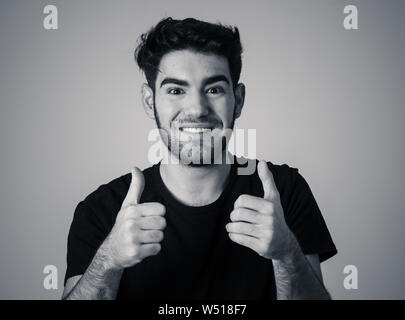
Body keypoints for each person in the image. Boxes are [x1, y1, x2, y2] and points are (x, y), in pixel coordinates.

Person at [62, 17, 337, 300]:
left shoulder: (284, 193)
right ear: (149, 101)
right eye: (176, 90)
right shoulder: (102, 210)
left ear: (238, 100)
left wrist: (285, 252)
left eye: (214, 89)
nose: (196, 107)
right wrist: (109, 260)